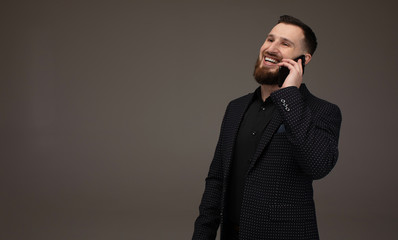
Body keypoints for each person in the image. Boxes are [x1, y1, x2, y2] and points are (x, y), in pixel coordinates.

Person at [192, 15, 342, 240]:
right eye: (269, 39)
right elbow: (217, 179)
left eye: (285, 43)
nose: (271, 48)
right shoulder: (236, 108)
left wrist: (290, 96)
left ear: (304, 59)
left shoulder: (322, 111)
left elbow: (318, 166)